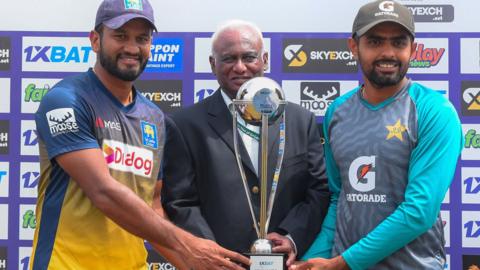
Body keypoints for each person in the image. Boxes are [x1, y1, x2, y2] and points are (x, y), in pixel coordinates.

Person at [30, 1, 249, 269]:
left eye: (142, 39)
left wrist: (195, 262)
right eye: (120, 36)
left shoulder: (154, 118)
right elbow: (103, 192)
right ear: (95, 40)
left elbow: (153, 206)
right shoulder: (65, 100)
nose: (132, 48)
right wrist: (188, 244)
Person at [294, 1, 463, 269]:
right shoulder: (337, 111)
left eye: (398, 42)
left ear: (413, 49)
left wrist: (343, 263)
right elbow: (340, 199)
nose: (388, 53)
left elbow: (419, 212)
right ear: (354, 46)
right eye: (374, 42)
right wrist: (311, 258)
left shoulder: (435, 111)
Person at [162, 19, 330, 267]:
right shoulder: (185, 124)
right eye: (229, 58)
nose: (240, 68)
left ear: (264, 60)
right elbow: (181, 201)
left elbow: (318, 190)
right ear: (212, 64)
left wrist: (292, 236)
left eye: (249, 57)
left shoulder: (299, 120)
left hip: (286, 263)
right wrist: (212, 253)